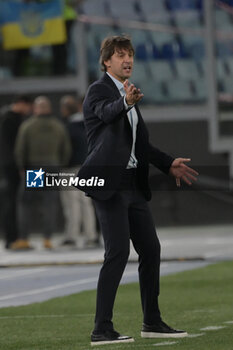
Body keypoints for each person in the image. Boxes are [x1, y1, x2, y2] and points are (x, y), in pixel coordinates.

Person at [76, 35, 199, 346]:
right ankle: (101, 329)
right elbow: (106, 113)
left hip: (132, 184)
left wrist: (168, 163)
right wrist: (125, 103)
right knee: (117, 252)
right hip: (110, 184)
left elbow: (141, 144)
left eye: (130, 54)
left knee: (151, 250)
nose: (127, 59)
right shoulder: (99, 90)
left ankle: (152, 321)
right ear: (106, 62)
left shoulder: (129, 93)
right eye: (120, 55)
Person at [12, 96, 71, 250]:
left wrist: (21, 167)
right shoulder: (58, 126)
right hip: (52, 166)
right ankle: (47, 239)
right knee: (49, 203)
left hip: (35, 169)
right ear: (49, 109)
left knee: (26, 203)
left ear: (36, 109)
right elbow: (66, 149)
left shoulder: (28, 126)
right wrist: (60, 164)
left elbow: (20, 149)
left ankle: (24, 238)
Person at [60, 95, 98, 248]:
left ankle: (72, 235)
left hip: (69, 167)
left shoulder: (67, 127)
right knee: (86, 202)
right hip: (87, 166)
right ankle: (91, 235)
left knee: (71, 203)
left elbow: (63, 149)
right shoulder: (90, 124)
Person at [0, 95, 32, 249]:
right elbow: (13, 146)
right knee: (13, 201)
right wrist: (20, 166)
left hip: (14, 166)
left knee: (19, 201)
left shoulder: (10, 117)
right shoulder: (10, 119)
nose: (28, 110)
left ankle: (19, 237)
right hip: (14, 167)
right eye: (28, 106)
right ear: (21, 103)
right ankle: (13, 238)